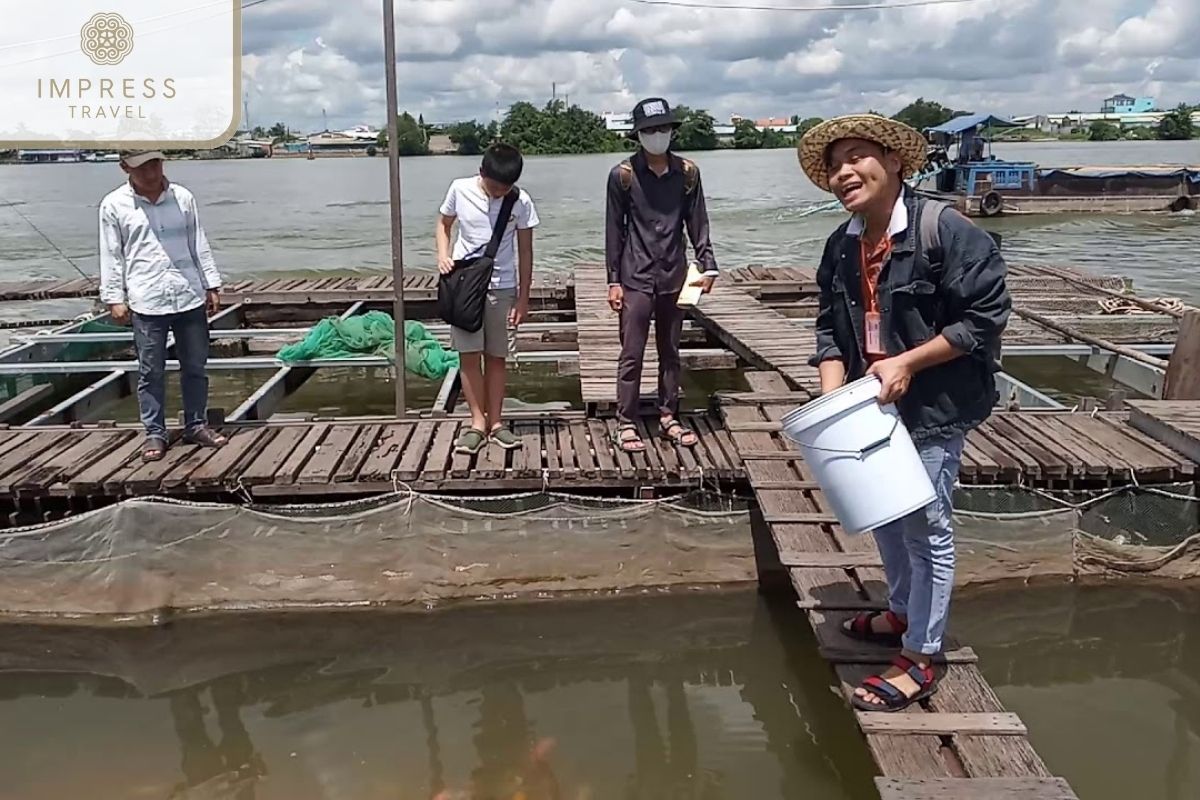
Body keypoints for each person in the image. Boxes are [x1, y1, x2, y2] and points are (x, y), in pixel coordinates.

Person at [798, 115, 1011, 711]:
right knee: (885, 516)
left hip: (933, 405)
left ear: (895, 162)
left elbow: (983, 321)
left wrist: (908, 363)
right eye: (835, 165)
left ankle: (922, 653)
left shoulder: (947, 229)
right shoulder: (843, 243)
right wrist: (831, 391)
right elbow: (828, 326)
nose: (844, 172)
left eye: (858, 156)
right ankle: (899, 611)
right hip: (869, 406)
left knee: (927, 528)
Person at [605, 97, 717, 453]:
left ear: (672, 131)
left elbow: (697, 222)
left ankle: (670, 414)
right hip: (635, 277)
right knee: (632, 352)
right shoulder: (622, 176)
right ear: (638, 135)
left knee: (671, 351)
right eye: (650, 130)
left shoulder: (688, 173)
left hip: (676, 275)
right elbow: (614, 231)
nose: (658, 135)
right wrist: (613, 281)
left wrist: (707, 264)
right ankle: (626, 420)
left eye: (663, 128)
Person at [99, 150, 227, 462]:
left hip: (188, 293)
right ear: (124, 167)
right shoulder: (113, 204)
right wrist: (114, 298)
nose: (151, 171)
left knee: (195, 365)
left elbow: (198, 241)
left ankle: (195, 424)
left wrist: (211, 284)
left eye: (155, 163)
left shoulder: (183, 197)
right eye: (142, 165)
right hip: (147, 298)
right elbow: (112, 255)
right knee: (150, 371)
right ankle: (155, 432)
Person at [436, 142, 539, 455]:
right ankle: (476, 423)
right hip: (465, 285)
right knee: (468, 356)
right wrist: (443, 255)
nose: (499, 194)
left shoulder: (520, 202)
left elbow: (525, 250)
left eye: (505, 189)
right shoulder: (459, 189)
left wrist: (523, 299)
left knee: (497, 356)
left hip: (502, 287)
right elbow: (443, 223)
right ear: (481, 173)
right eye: (494, 188)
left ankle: (496, 422)